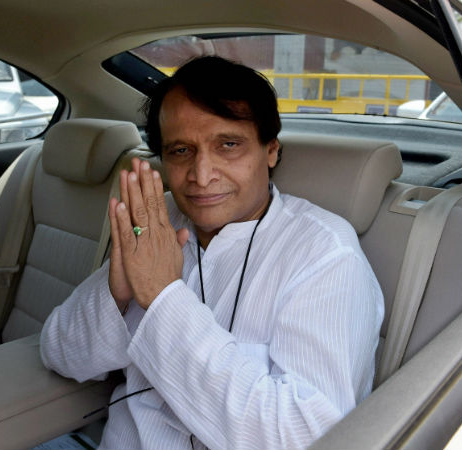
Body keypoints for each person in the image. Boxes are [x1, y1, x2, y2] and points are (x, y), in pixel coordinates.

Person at [40, 56, 383, 450]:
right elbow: (59, 353)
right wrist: (115, 295)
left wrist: (162, 296)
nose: (201, 176)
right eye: (180, 151)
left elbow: (303, 437)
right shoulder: (158, 218)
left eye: (228, 145)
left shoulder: (324, 253)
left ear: (270, 149)